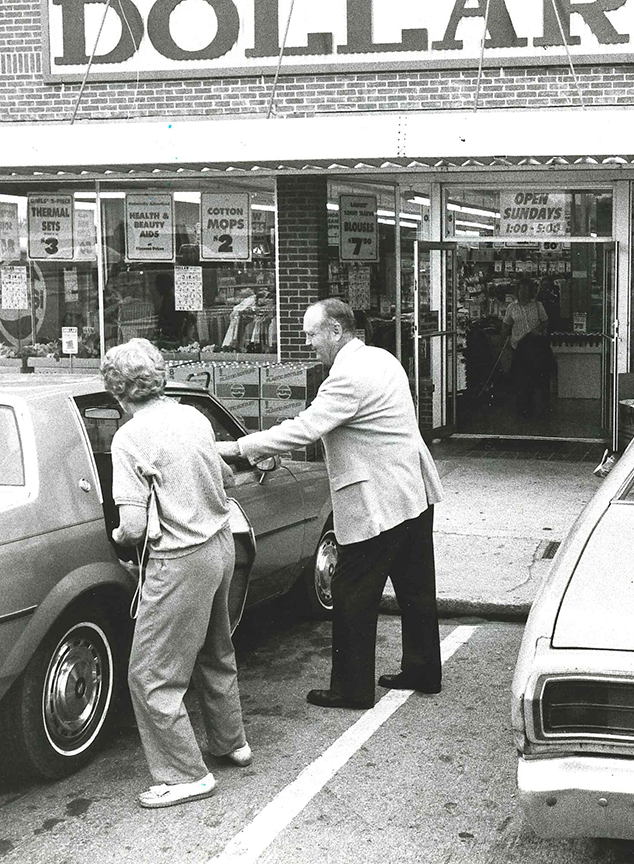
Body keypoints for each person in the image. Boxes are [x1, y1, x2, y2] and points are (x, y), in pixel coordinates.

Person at [217, 298, 444, 710]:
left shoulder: (346, 378)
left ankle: (352, 690)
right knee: (415, 588)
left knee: (351, 591)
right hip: (413, 491)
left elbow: (306, 427)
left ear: (336, 331)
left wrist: (238, 447)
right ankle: (423, 669)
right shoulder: (381, 359)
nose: (308, 344)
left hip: (377, 500)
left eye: (311, 334)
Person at [103, 338, 250, 809]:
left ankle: (186, 775)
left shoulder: (128, 437)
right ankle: (231, 743)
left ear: (117, 388)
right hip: (220, 545)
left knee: (150, 676)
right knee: (215, 652)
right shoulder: (192, 415)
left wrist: (121, 543)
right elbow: (225, 480)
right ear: (159, 376)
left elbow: (133, 526)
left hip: (179, 559)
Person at [502, 279, 553, 417]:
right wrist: (504, 340)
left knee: (537, 378)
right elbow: (506, 325)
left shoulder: (537, 305)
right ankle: (523, 408)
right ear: (517, 291)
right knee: (521, 379)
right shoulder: (511, 307)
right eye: (521, 290)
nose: (523, 292)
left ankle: (540, 409)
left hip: (535, 347)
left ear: (530, 291)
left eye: (526, 290)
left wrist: (538, 329)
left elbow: (546, 321)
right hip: (518, 346)